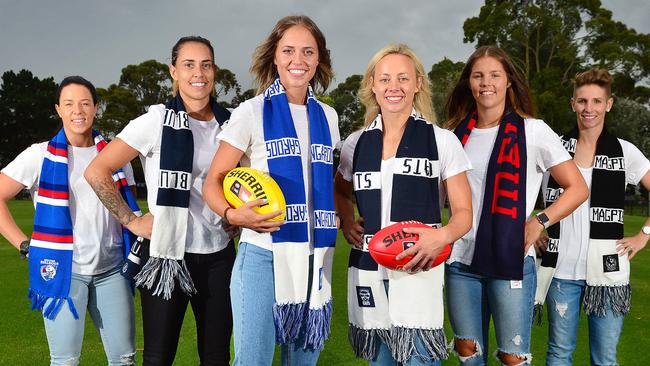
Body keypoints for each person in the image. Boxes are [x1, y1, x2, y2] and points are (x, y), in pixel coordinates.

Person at [84, 36, 236, 365]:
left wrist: (235, 215)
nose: (199, 72)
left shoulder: (232, 122)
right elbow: (97, 170)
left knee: (216, 356)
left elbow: (245, 180)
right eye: (189, 64)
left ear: (214, 71)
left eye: (206, 64)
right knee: (158, 356)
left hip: (218, 255)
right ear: (174, 71)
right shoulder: (155, 120)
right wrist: (131, 220)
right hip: (167, 256)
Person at [202, 15, 339, 365]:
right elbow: (214, 180)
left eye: (308, 51)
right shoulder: (252, 111)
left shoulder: (329, 117)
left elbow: (327, 181)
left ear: (319, 58)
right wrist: (233, 214)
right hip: (263, 254)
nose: (299, 60)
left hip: (315, 258)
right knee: (253, 360)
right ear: (274, 57)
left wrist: (340, 214)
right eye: (289, 50)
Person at [443, 45, 589, 365]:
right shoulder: (454, 135)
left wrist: (539, 221)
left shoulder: (533, 131)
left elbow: (577, 188)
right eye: (478, 75)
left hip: (511, 258)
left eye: (495, 75)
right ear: (468, 82)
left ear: (509, 81)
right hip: (460, 261)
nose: (486, 82)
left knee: (513, 358)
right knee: (468, 353)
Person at [336, 44, 473, 366]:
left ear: (418, 83)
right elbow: (340, 189)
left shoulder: (441, 140)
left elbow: (464, 213)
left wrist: (442, 236)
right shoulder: (356, 143)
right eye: (384, 79)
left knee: (420, 359)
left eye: (402, 78)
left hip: (418, 267)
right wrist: (346, 218)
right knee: (380, 361)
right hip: (368, 268)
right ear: (372, 84)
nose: (393, 87)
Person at [0, 76, 137, 365]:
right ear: (58, 109)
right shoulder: (38, 155)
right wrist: (24, 244)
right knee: (65, 361)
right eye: (69, 104)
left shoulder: (117, 155)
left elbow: (128, 210)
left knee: (124, 360)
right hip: (63, 272)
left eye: (85, 103)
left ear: (96, 108)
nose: (78, 111)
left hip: (112, 269)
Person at [535, 69, 650, 365]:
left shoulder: (624, 152)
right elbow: (527, 191)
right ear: (573, 103)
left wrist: (644, 235)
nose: (589, 109)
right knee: (559, 354)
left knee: (605, 359)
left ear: (608, 104)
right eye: (583, 101)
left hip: (608, 271)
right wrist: (537, 226)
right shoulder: (554, 150)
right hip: (562, 270)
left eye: (597, 101)